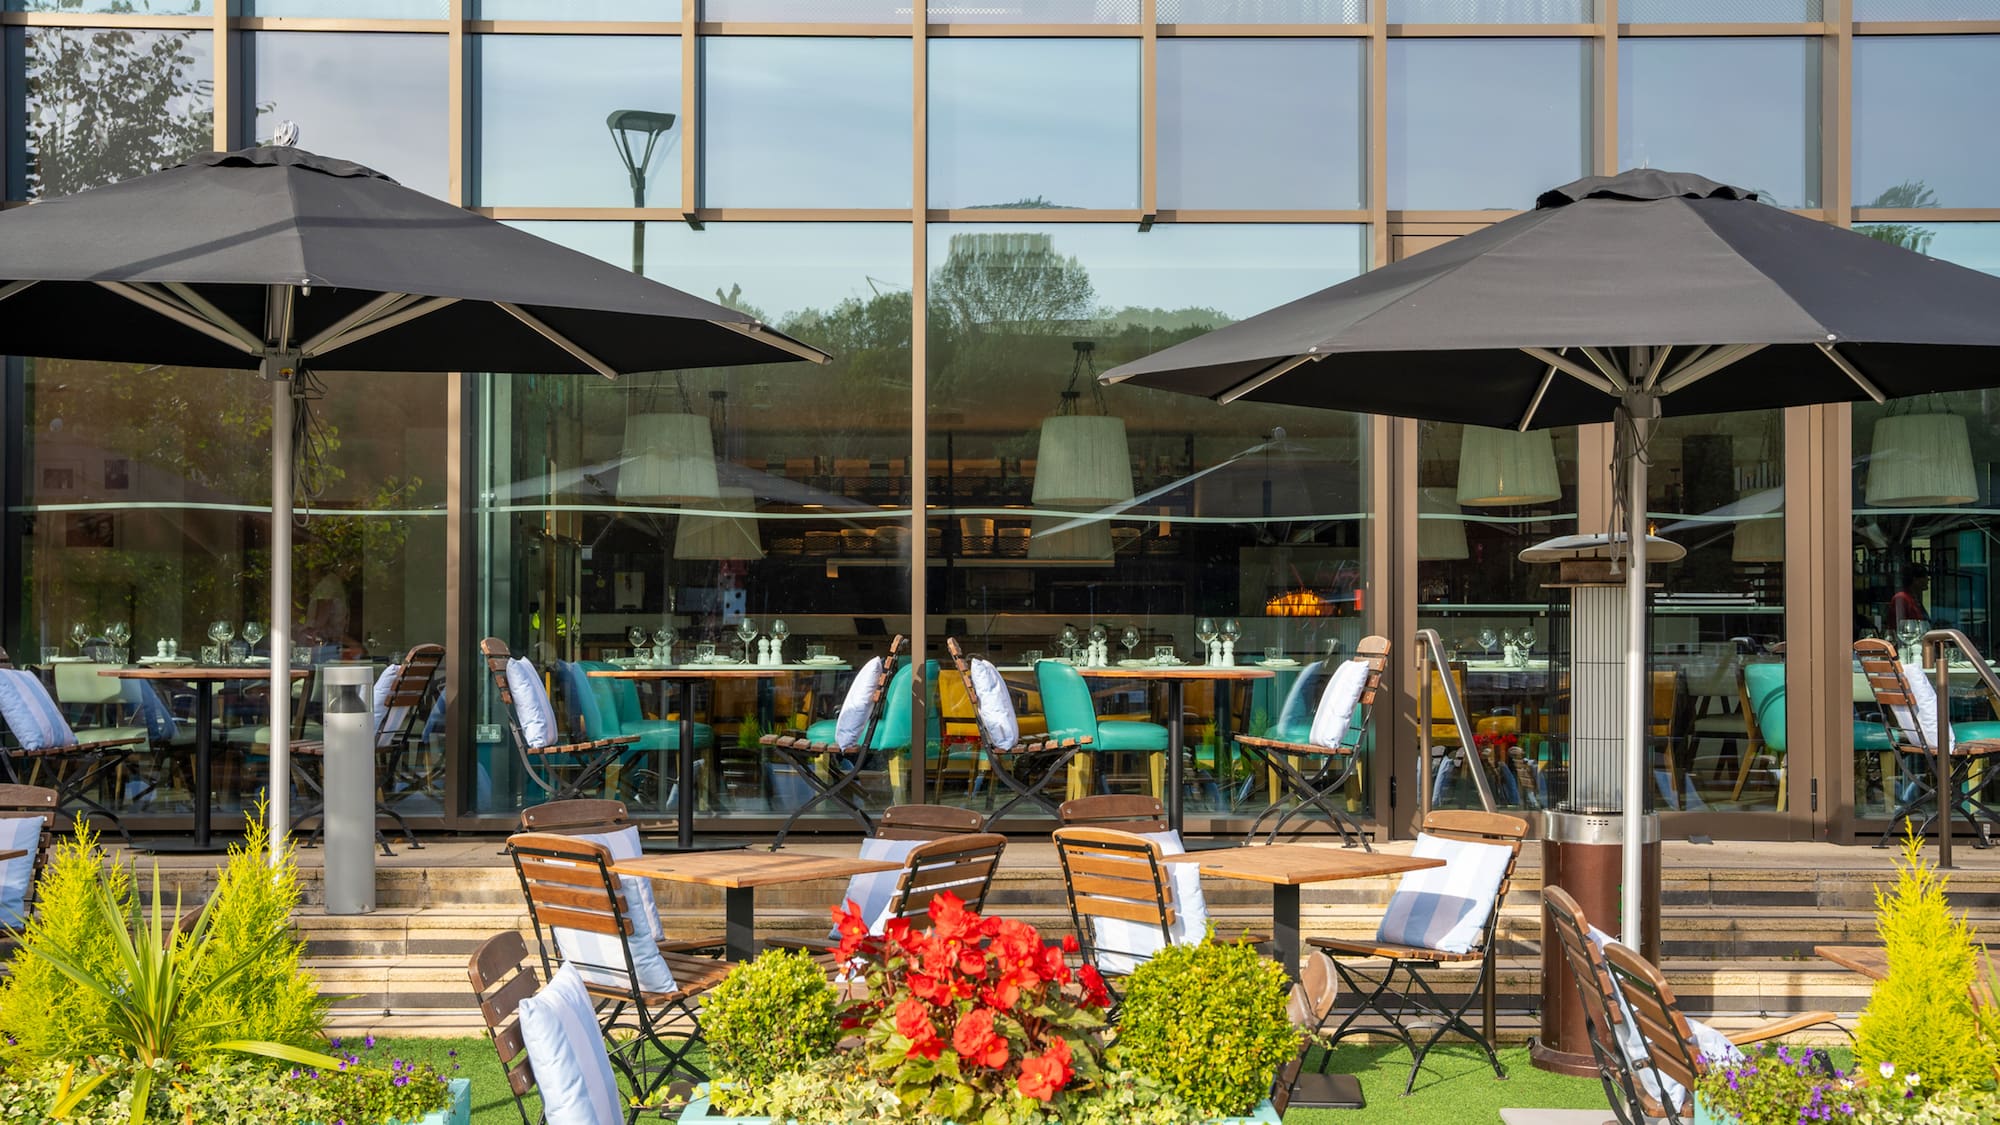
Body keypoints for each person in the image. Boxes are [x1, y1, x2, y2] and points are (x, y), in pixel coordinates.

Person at [1887, 565, 1931, 638]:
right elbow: (1896, 626)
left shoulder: (1915, 599)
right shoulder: (1901, 598)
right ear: (1915, 579)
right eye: (1924, 577)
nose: (1928, 580)